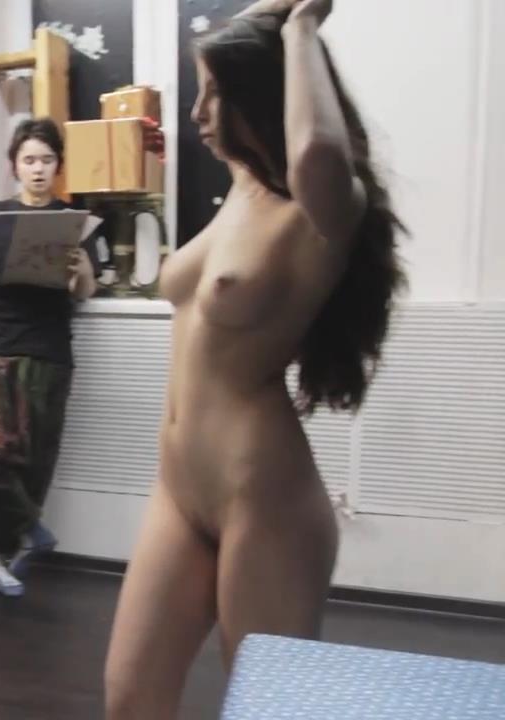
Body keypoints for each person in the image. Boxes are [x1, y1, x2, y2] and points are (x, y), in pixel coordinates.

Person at [103, 1, 406, 717]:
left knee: (269, 707)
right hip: (179, 489)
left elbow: (317, 152)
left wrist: (300, 27)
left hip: (263, 500)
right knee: (129, 697)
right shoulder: (243, 186)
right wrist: (269, 13)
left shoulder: (325, 209)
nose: (198, 112)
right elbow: (250, 55)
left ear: (264, 97)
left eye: (216, 94)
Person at [0, 117, 98, 597]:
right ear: (14, 165)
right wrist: (16, 247)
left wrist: (80, 265)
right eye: (29, 159)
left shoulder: (73, 219)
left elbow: (84, 291)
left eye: (47, 160)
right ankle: (31, 527)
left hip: (45, 346)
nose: (38, 168)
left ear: (58, 166)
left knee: (30, 462)